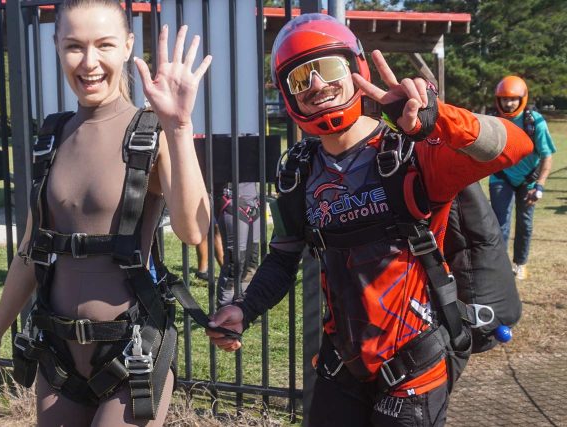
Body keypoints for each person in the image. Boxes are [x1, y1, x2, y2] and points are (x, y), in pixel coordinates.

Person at [206, 14, 532, 426]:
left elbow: (516, 146)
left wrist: (440, 119)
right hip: (340, 364)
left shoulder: (413, 153)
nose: (317, 86)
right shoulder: (297, 174)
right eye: (300, 78)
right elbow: (282, 258)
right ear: (287, 95)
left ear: (355, 67)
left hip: (415, 366)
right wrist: (246, 308)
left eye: (328, 68)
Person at [0, 0, 211, 425]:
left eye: (104, 44)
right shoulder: (53, 137)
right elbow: (30, 250)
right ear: (57, 47)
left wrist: (179, 128)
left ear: (127, 47)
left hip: (131, 355)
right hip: (58, 357)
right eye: (74, 46)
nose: (89, 61)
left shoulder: (150, 131)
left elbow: (194, 230)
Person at [489, 76, 556, 280]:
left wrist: (540, 186)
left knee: (525, 224)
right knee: (500, 224)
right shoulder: (494, 121)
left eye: (513, 99)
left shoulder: (535, 122)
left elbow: (547, 156)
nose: (508, 104)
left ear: (523, 99)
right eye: (504, 99)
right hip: (501, 177)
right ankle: (499, 266)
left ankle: (520, 263)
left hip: (529, 180)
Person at [213, 182, 260, 308]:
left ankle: (244, 307)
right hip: (231, 201)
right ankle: (224, 309)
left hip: (253, 203)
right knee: (234, 265)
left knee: (251, 262)